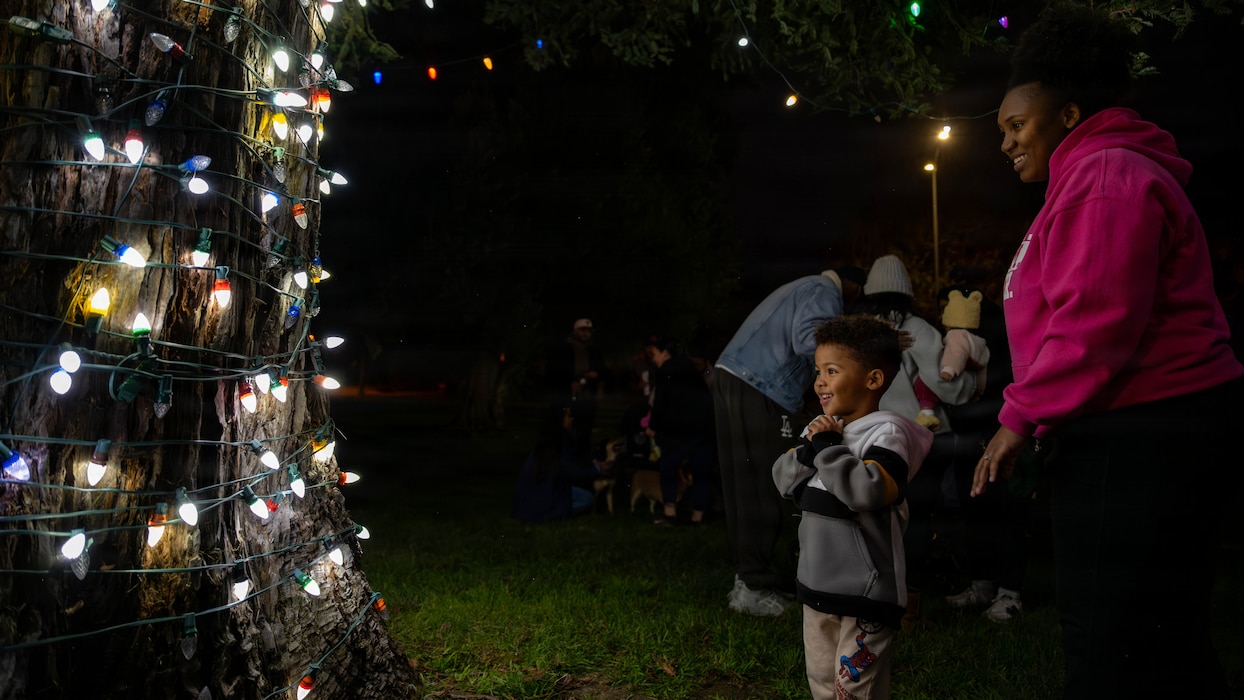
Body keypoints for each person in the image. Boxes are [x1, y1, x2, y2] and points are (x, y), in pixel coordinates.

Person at [972, 7, 1244, 697]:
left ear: (1067, 114)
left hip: (1137, 430)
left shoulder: (1103, 176)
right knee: (1164, 632)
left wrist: (1017, 417)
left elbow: (1094, 322)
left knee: (1107, 636)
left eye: (1016, 125)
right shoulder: (1095, 175)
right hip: (1153, 427)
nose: (1005, 144)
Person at [772, 315, 933, 700]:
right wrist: (813, 447)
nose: (820, 381)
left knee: (853, 692)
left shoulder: (887, 433)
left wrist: (829, 448)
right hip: (816, 589)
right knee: (824, 685)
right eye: (817, 371)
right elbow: (782, 479)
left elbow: (869, 492)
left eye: (831, 370)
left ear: (873, 380)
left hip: (866, 597)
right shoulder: (824, 427)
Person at [714, 270, 844, 615]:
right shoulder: (825, 289)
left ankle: (750, 581)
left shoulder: (801, 286)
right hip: (762, 385)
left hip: (737, 375)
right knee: (768, 482)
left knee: (745, 484)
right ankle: (754, 586)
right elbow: (809, 342)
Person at [643, 337, 716, 525]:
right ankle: (697, 516)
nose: (652, 359)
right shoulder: (690, 368)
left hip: (680, 430)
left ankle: (669, 512)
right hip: (704, 428)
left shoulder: (665, 370)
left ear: (665, 352)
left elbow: (661, 402)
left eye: (653, 354)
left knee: (668, 467)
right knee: (701, 471)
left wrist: (653, 426)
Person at [512, 406, 612, 523]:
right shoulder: (560, 441)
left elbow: (572, 462)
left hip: (528, 502)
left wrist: (594, 464)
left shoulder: (545, 442)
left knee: (579, 494)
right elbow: (570, 471)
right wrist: (597, 469)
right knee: (586, 498)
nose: (571, 420)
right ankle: (553, 514)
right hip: (547, 495)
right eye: (568, 416)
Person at [912, 289, 990, 430]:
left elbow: (957, 353)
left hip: (956, 368)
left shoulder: (955, 335)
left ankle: (927, 413)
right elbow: (982, 370)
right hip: (975, 365)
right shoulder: (977, 340)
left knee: (922, 383)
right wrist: (979, 390)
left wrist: (949, 369)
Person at [544, 318, 606, 454]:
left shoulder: (594, 351)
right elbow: (552, 372)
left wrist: (596, 375)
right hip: (565, 397)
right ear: (575, 330)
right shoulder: (562, 350)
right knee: (563, 428)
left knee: (584, 431)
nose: (586, 334)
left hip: (587, 397)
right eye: (583, 330)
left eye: (589, 331)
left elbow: (603, 370)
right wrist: (568, 383)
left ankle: (582, 456)